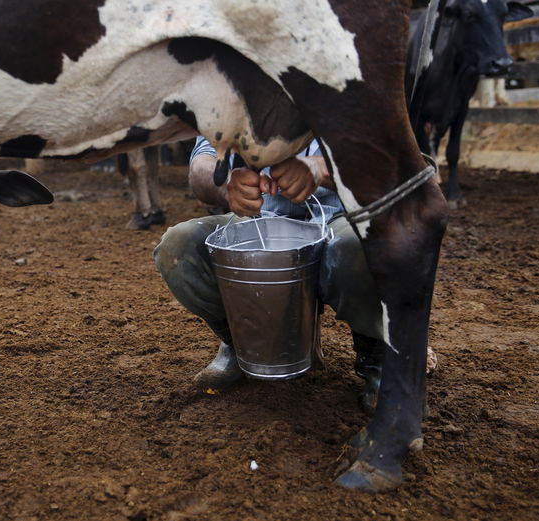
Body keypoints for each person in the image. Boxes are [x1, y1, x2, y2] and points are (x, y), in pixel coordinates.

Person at [153, 136, 388, 414]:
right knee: (178, 247)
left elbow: (394, 165)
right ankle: (240, 343)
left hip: (340, 216)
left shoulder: (353, 93)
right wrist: (225, 185)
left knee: (361, 248)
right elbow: (201, 164)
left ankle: (377, 359)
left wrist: (321, 169)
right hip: (260, 217)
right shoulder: (240, 95)